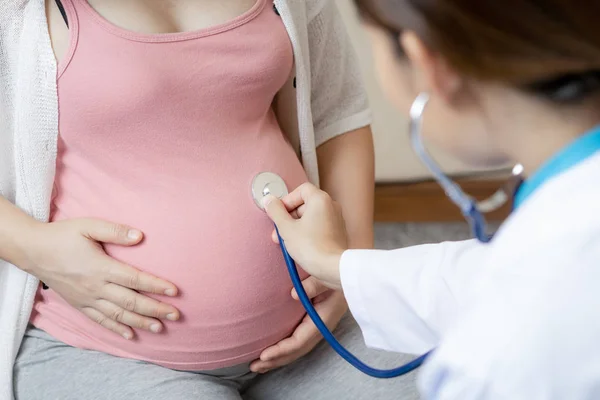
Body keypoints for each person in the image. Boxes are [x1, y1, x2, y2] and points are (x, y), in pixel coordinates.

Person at [0, 1, 421, 399]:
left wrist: (351, 272)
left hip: (314, 329)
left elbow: (337, 112)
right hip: (104, 349)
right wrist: (34, 248)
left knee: (459, 379)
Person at [263, 0, 600, 398]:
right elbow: (490, 275)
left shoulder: (497, 363)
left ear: (429, 65)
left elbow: (529, 295)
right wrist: (340, 265)